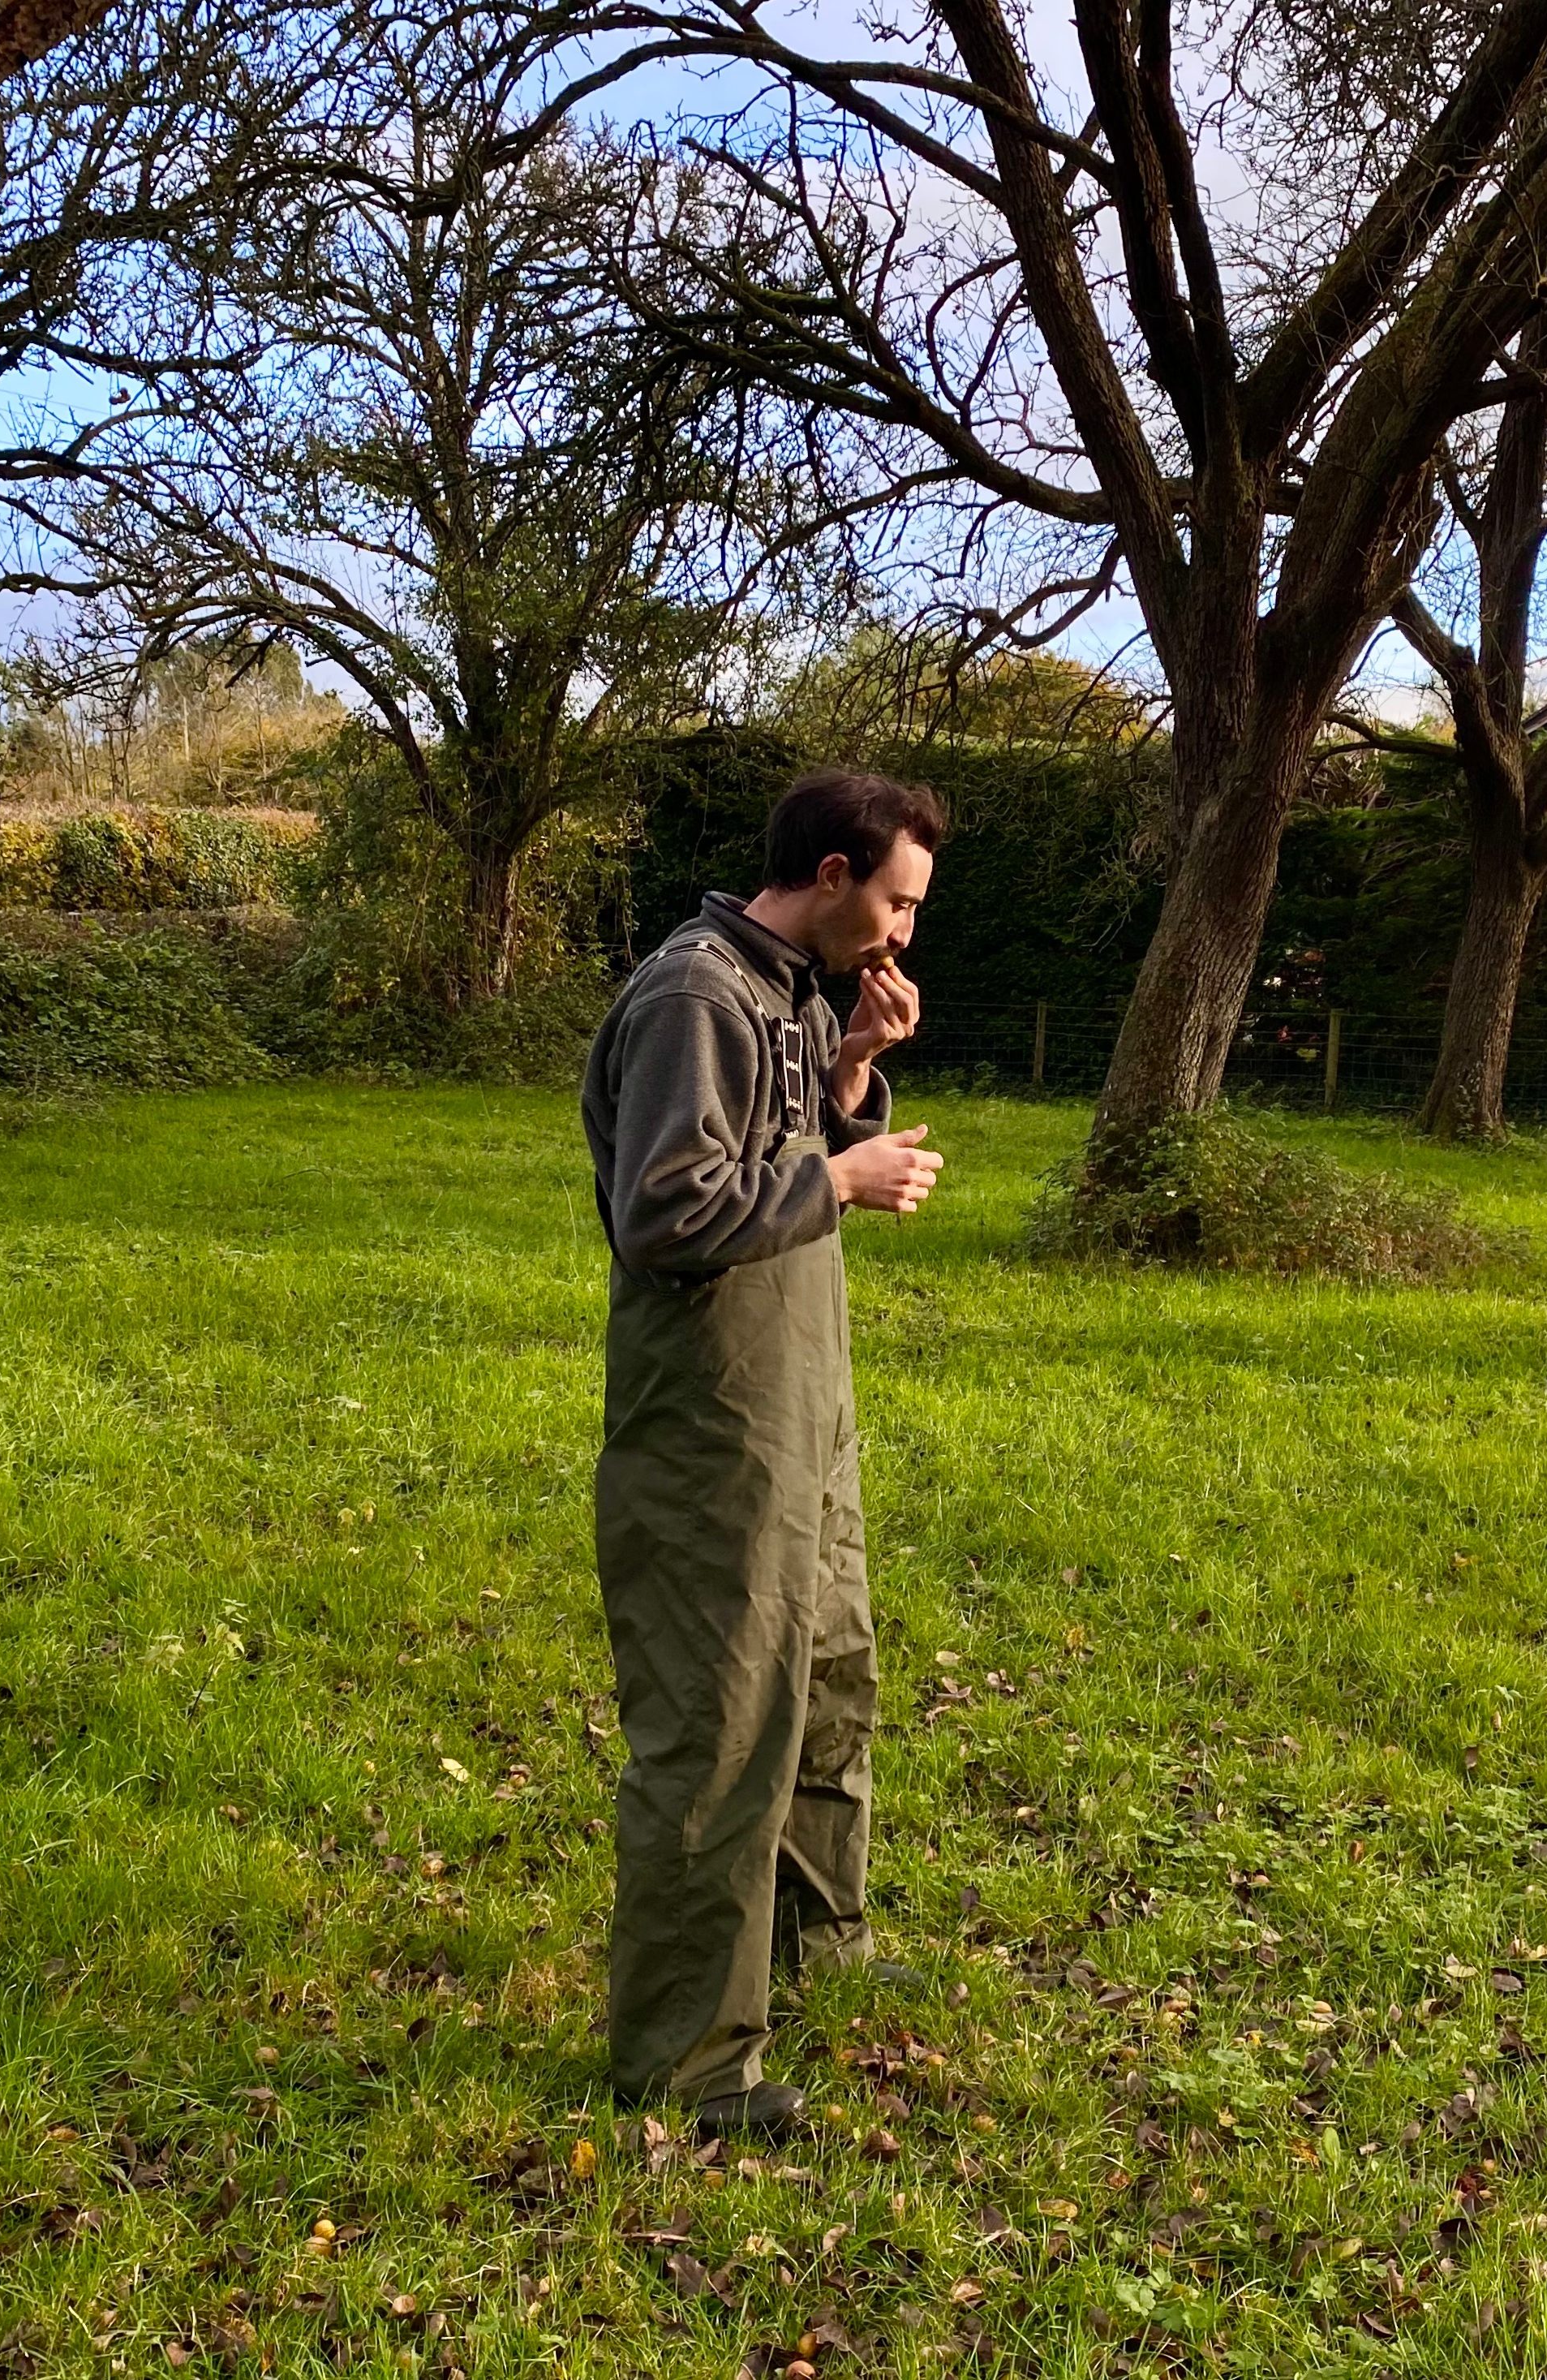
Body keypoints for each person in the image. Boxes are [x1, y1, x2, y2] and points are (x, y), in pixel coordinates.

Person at [581, 766, 947, 2141]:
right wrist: (844, 1176)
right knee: (721, 1722)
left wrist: (849, 1069)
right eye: (898, 902)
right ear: (838, 871)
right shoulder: (695, 993)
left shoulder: (791, 990)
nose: (904, 935)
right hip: (709, 1424)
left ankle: (816, 1939)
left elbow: (766, 1150)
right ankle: (684, 2061)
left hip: (803, 1405)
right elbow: (668, 1208)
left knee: (829, 1675)